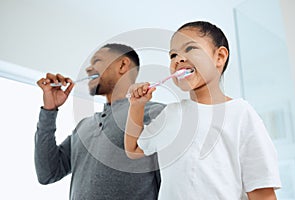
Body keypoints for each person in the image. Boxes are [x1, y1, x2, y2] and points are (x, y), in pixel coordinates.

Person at [125, 21, 281, 200]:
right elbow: (134, 149)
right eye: (173, 55)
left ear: (219, 57)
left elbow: (262, 192)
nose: (178, 59)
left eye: (190, 49)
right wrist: (136, 106)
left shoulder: (240, 114)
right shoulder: (171, 114)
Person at [35, 43, 165, 200]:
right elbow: (47, 173)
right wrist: (49, 110)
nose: (89, 69)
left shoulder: (155, 113)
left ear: (123, 65)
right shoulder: (84, 126)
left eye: (97, 61)